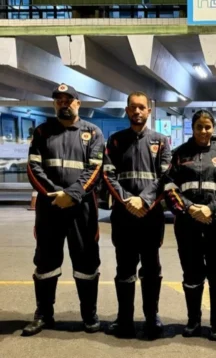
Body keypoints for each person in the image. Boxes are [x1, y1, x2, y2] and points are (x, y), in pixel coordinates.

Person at [24, 83, 104, 336]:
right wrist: (55, 194)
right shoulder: (42, 132)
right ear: (54, 104)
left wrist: (71, 195)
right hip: (50, 208)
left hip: (82, 209)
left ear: (78, 103)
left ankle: (89, 315)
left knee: (86, 261)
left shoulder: (93, 132)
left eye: (68, 100)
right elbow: (33, 168)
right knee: (45, 262)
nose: (63, 104)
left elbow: (95, 169)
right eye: (59, 100)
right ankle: (43, 315)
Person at [162, 109, 216, 342]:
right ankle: (193, 321)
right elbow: (169, 187)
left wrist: (210, 210)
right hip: (188, 224)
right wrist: (190, 209)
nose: (203, 131)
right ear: (192, 128)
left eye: (207, 127)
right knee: (191, 274)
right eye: (199, 127)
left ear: (213, 128)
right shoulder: (178, 154)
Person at [102, 91, 171, 340]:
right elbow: (108, 174)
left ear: (149, 111)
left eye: (142, 107)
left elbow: (166, 177)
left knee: (151, 268)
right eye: (133, 107)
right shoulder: (115, 140)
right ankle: (125, 320)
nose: (137, 111)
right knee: (124, 268)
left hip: (151, 216)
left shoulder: (161, 141)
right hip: (124, 216)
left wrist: (144, 200)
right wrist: (127, 200)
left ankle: (152, 317)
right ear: (127, 110)